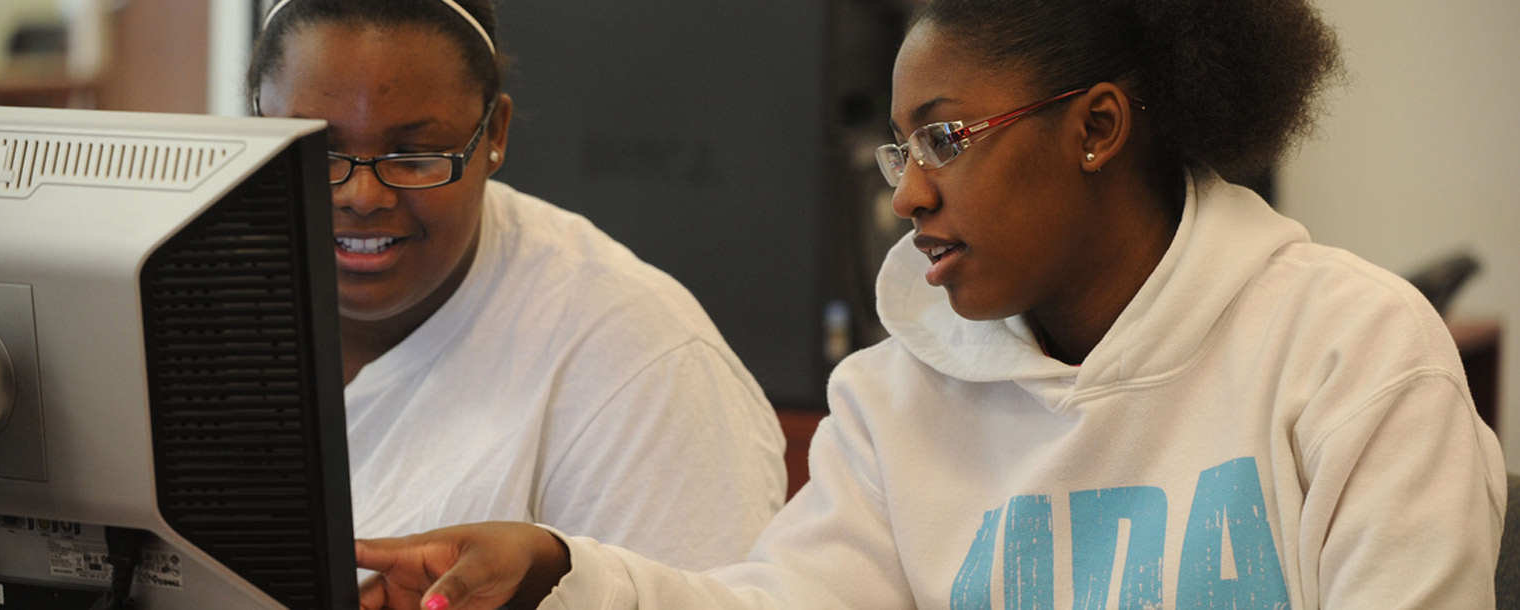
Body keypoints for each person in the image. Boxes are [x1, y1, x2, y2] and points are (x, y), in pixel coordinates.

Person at [352, 0, 1510, 608]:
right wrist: (565, 569)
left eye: (945, 139)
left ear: (1098, 127)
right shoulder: (898, 395)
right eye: (896, 147)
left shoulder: (1349, 351)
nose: (906, 191)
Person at [245, 0, 787, 571]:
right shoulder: (173, 288)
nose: (362, 196)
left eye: (415, 154)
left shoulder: (640, 361)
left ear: (494, 133)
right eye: (316, 148)